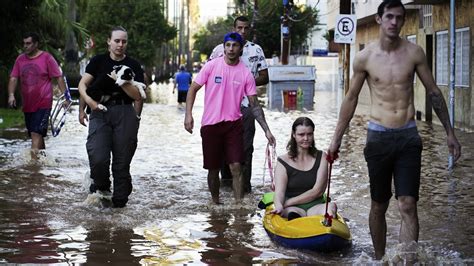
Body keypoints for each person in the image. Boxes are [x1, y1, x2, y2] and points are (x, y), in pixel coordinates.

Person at [327, 0, 461, 260]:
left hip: (408, 137)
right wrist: (336, 140)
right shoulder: (365, 58)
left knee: (408, 204)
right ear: (378, 19)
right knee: (379, 204)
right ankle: (379, 260)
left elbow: (433, 92)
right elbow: (351, 98)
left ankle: (407, 260)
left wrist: (450, 133)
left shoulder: (414, 53)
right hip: (378, 137)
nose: (394, 23)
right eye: (389, 17)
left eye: (399, 18)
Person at [184, 32, 276, 204]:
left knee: (236, 167)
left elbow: (254, 105)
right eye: (228, 45)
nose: (231, 49)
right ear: (224, 47)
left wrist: (267, 130)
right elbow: (193, 89)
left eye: (235, 45)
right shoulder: (211, 66)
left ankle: (238, 205)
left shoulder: (246, 74)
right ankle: (216, 203)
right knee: (213, 169)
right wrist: (188, 115)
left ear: (241, 49)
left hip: (233, 125)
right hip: (210, 125)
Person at [78, 26, 144, 208]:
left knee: (122, 164)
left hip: (125, 112)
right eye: (116, 41)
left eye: (124, 41)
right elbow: (84, 85)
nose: (120, 45)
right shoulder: (98, 61)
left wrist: (120, 80)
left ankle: (120, 204)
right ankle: (102, 188)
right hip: (99, 111)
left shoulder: (134, 65)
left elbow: (138, 96)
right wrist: (83, 108)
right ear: (109, 41)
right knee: (98, 157)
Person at [209, 16, 269, 193]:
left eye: (246, 28)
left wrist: (245, 82)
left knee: (245, 146)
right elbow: (208, 76)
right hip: (221, 108)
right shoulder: (219, 50)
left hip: (246, 105)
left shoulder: (255, 50)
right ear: (233, 28)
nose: (243, 31)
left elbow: (265, 76)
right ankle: (226, 182)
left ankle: (244, 187)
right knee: (221, 147)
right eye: (239, 28)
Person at [7, 32, 68, 159]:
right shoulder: (20, 59)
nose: (25, 46)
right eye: (24, 44)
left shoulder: (47, 58)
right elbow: (13, 78)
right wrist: (11, 94)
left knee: (35, 133)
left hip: (43, 102)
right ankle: (43, 162)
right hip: (28, 104)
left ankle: (32, 167)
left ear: (36, 44)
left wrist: (65, 97)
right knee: (36, 134)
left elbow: (58, 78)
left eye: (28, 43)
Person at [272, 117, 337, 220]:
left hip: (315, 206)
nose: (306, 138)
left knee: (330, 208)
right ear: (294, 135)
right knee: (291, 214)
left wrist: (287, 202)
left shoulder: (323, 157)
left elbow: (318, 191)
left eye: (309, 134)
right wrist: (279, 205)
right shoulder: (282, 161)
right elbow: (279, 192)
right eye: (301, 135)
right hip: (292, 208)